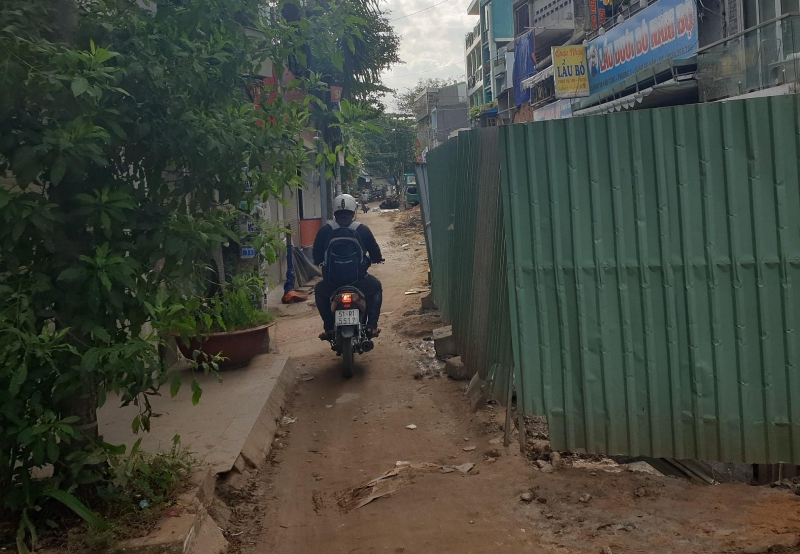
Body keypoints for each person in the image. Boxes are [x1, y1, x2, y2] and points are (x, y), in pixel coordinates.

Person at [313, 194, 383, 340]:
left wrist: (321, 262)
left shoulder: (325, 230)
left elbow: (316, 256)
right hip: (358, 281)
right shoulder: (362, 229)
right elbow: (375, 252)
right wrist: (376, 259)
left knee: (319, 291)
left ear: (335, 211)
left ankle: (329, 328)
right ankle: (371, 326)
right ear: (353, 210)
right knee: (376, 287)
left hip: (331, 283)